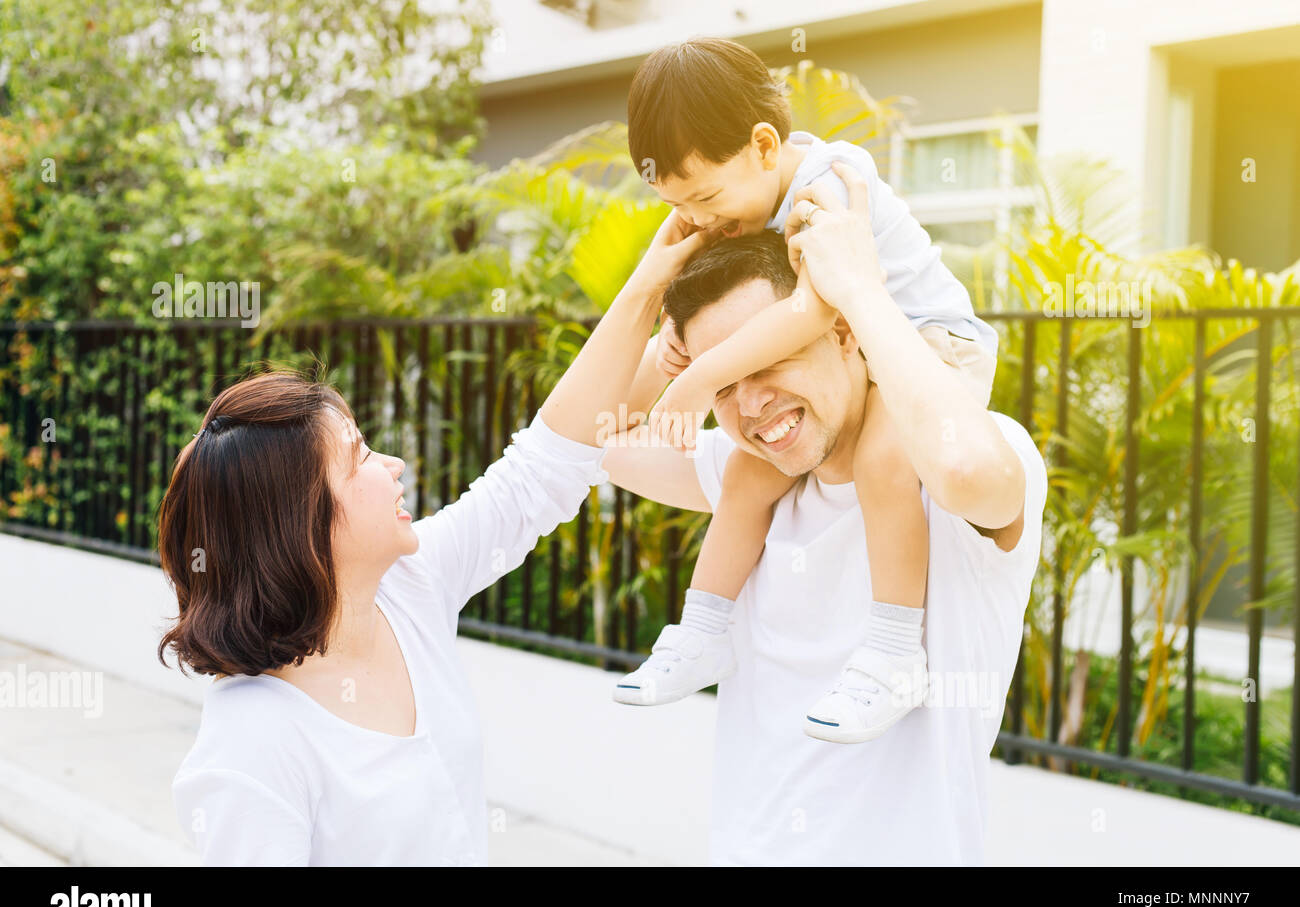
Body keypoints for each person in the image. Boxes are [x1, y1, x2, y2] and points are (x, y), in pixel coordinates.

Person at [160, 207, 711, 865]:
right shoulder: (250, 743)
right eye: (360, 456)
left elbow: (541, 471)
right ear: (300, 524)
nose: (392, 466)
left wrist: (657, 336)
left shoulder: (407, 589)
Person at [600, 163, 1048, 864]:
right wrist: (667, 345)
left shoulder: (955, 469)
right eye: (725, 382)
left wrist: (863, 292)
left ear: (842, 334)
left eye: (770, 359)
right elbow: (603, 441)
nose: (749, 405)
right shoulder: (759, 478)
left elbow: (964, 471)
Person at [611, 36, 1000, 743]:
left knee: (887, 461)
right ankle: (703, 627)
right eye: (679, 206)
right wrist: (671, 331)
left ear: (764, 146)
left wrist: (701, 377)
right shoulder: (750, 201)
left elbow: (812, 312)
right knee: (749, 475)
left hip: (933, 349)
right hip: (858, 358)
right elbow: (605, 436)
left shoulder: (825, 186)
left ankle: (891, 653)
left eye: (703, 198)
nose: (700, 221)